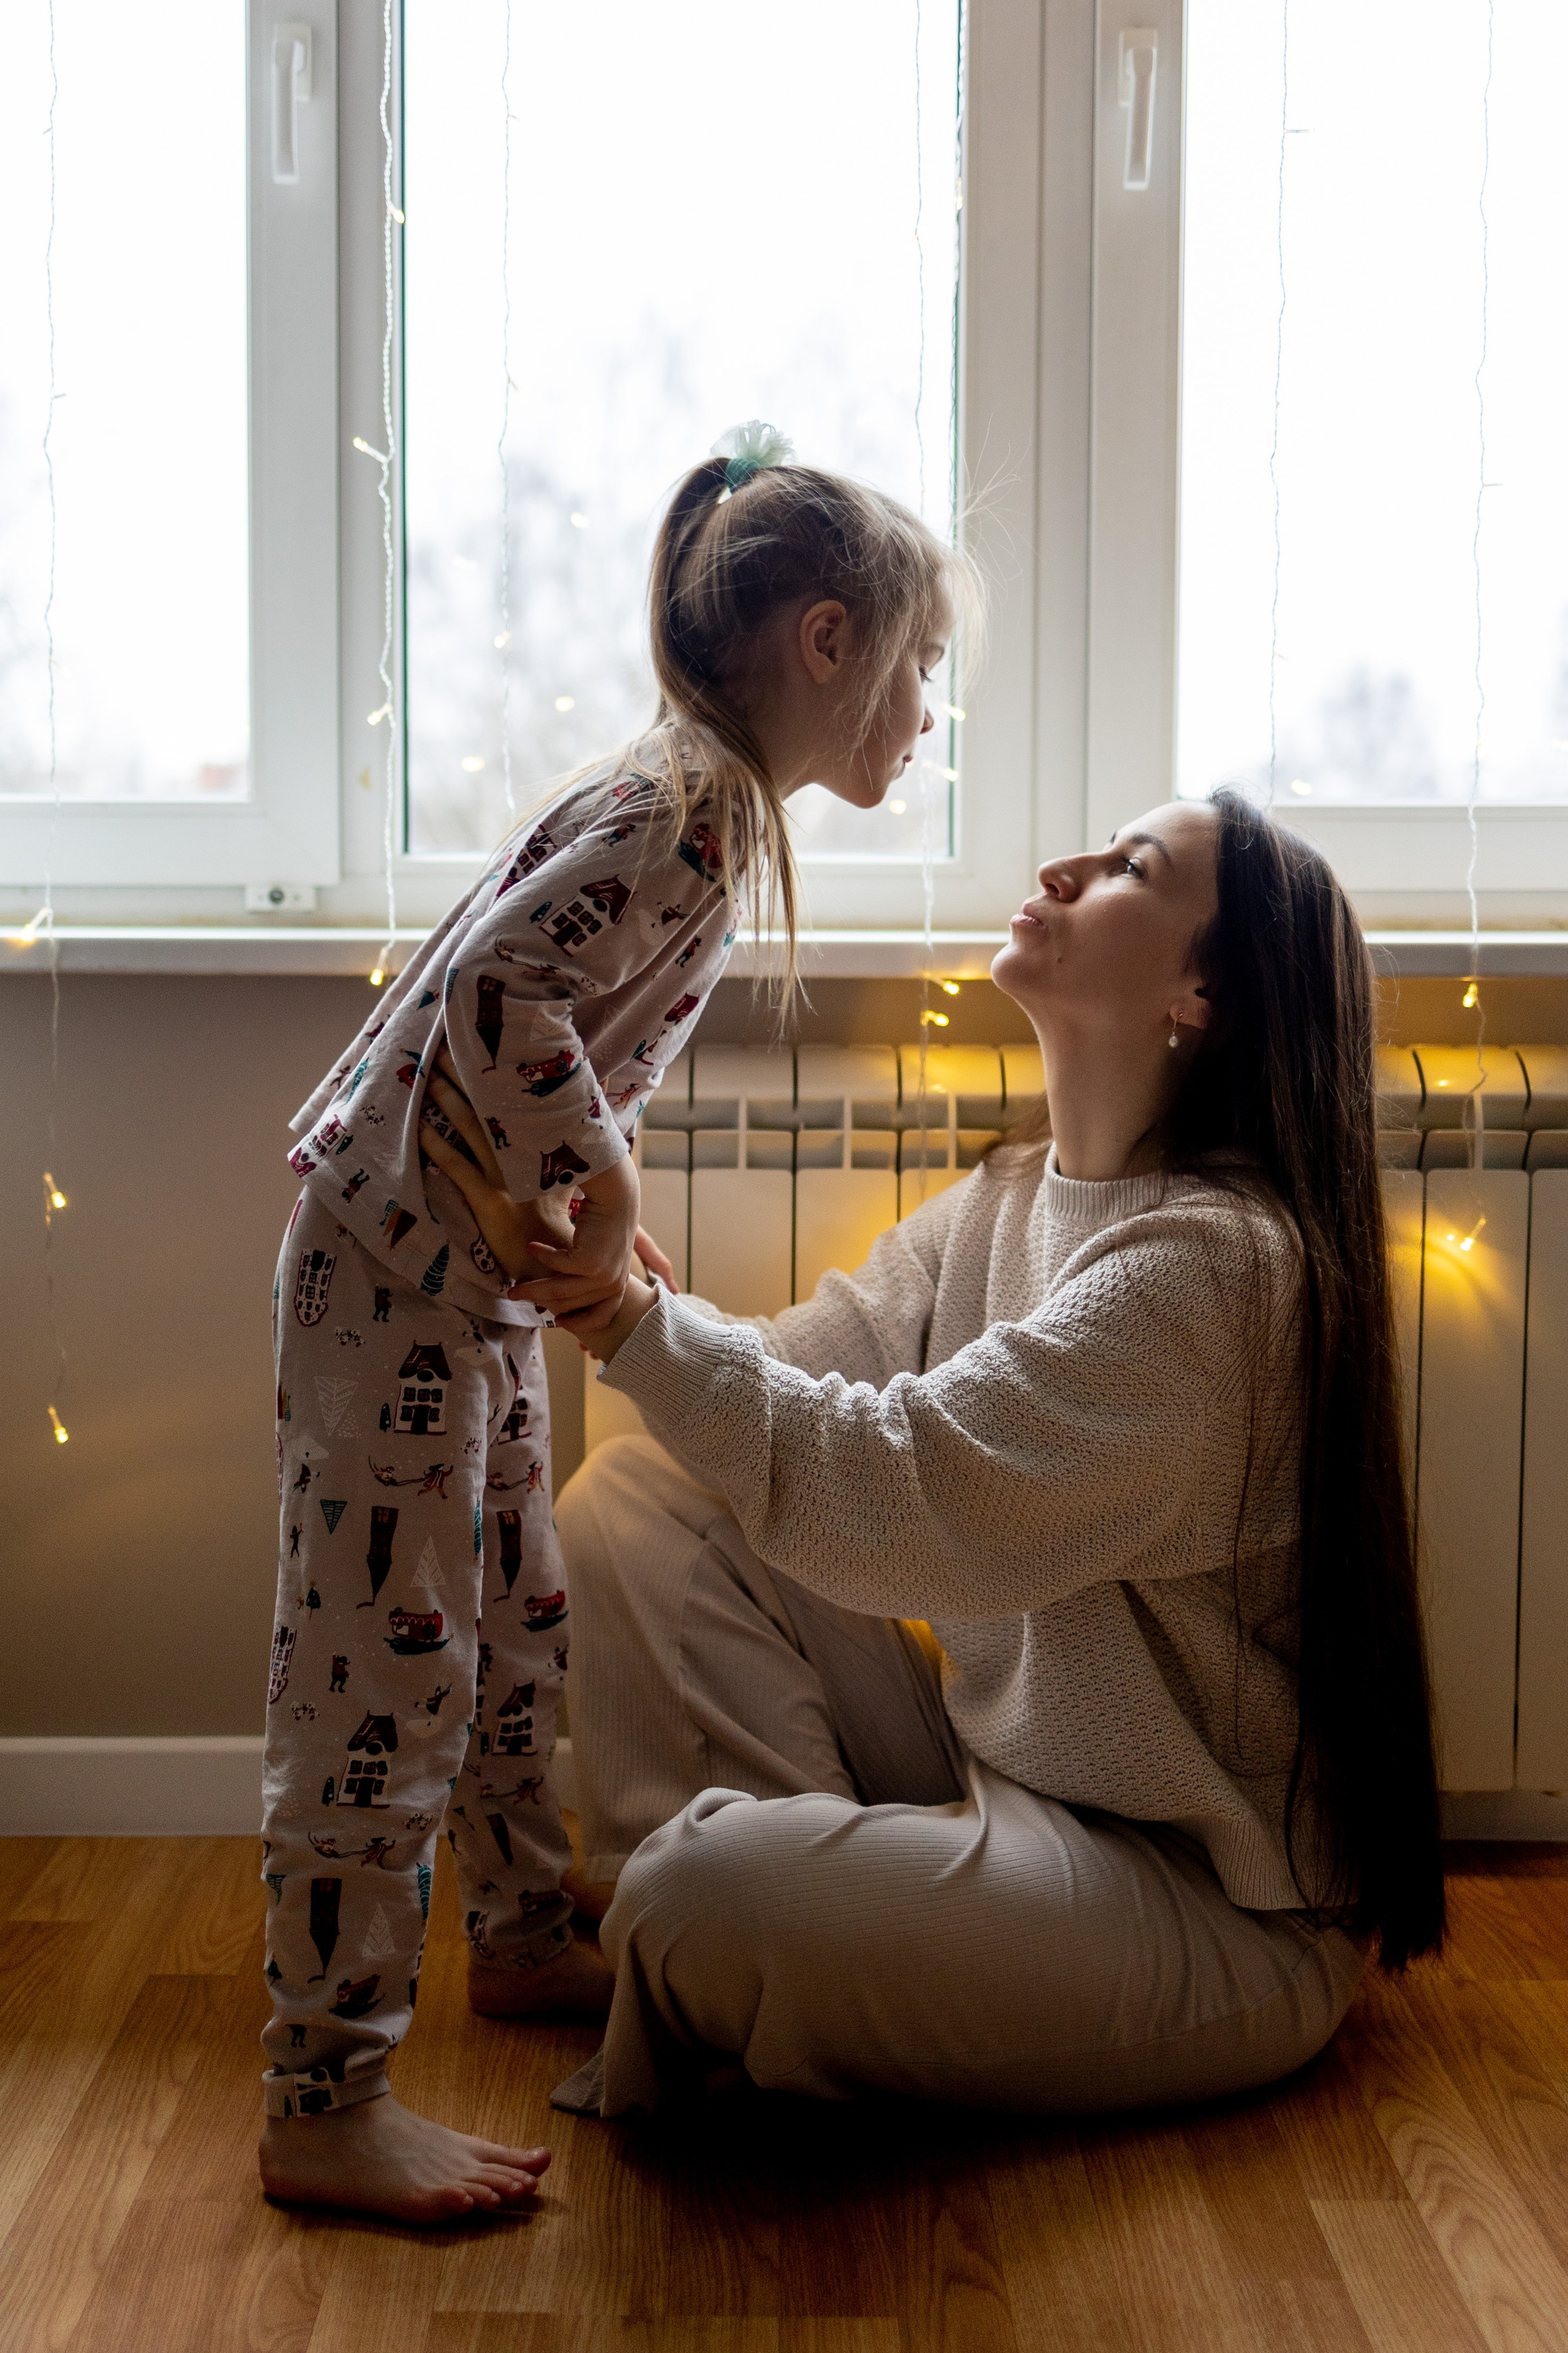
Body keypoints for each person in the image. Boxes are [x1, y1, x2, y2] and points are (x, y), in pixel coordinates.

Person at [432, 790, 1446, 2124]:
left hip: (1193, 1899)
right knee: (642, 1489)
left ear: (1202, 990)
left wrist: (631, 1324)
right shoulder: (1008, 1199)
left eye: (1129, 866)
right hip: (1000, 1773)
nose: (1063, 865)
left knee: (695, 1898)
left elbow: (905, 1488)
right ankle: (774, 1923)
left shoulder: (1218, 1270)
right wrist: (633, 1294)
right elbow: (786, 1384)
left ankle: (735, 1922)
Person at [258, 422, 971, 2223]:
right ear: (828, 641)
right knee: (389, 1667)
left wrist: (597, 1217)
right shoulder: (692, 807)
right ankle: (320, 2094)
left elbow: (561, 1012)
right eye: (920, 672)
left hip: (462, 1280)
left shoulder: (698, 803)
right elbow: (503, 984)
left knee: (516, 1617)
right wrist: (613, 1186)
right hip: (393, 1276)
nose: (925, 716)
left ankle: (508, 1929)